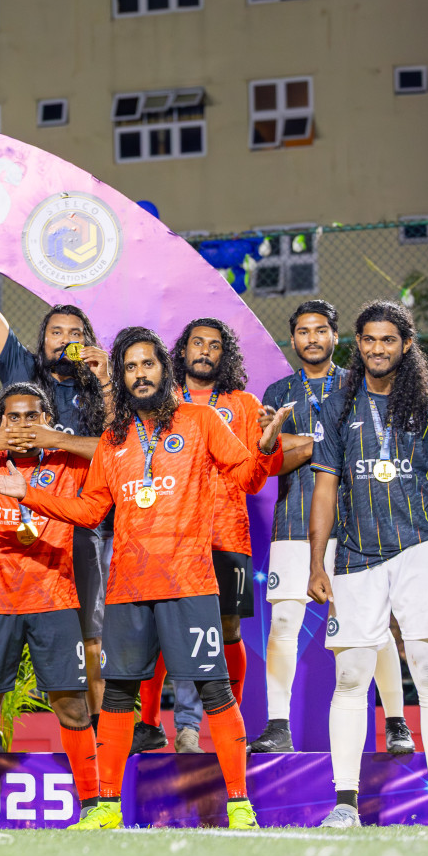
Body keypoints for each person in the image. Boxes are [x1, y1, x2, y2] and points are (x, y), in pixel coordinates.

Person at [0, 327, 290, 830]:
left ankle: (239, 803)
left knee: (215, 691)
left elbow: (246, 477)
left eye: (146, 364)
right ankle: (106, 806)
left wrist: (265, 446)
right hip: (128, 588)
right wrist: (28, 493)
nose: (138, 374)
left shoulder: (199, 421)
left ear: (163, 369)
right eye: (129, 368)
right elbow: (90, 510)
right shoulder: (112, 440)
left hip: (189, 583)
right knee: (115, 697)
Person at [0, 204, 117, 729]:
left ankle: (105, 750)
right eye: (55, 331)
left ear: (87, 342)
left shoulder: (97, 388)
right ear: (42, 340)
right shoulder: (25, 373)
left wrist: (104, 382)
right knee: (6, 659)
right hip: (16, 523)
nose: (63, 338)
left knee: (93, 637)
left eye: (73, 331)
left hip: (84, 525)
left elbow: (118, 448)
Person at [308, 301, 428, 829]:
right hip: (355, 555)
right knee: (351, 678)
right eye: (369, 340)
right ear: (357, 343)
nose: (378, 349)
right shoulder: (339, 404)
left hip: (422, 547)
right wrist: (317, 562)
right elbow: (325, 489)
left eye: (389, 340)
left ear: (406, 345)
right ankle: (345, 805)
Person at [253, 300, 412, 755]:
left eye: (320, 330)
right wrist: (277, 444)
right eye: (302, 331)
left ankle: (397, 723)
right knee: (283, 621)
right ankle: (278, 726)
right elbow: (268, 462)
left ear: (336, 337)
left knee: (373, 626)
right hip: (295, 521)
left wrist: (301, 445)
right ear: (293, 340)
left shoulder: (363, 383)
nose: (311, 339)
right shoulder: (278, 391)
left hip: (359, 524)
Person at [0, 383, 110, 829]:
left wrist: (56, 440)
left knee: (71, 705)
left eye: (32, 416)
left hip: (55, 599)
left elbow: (112, 451)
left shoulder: (67, 462)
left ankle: (92, 805)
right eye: (13, 417)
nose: (23, 426)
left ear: (47, 420)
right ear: (0, 422)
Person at [133, 318, 265, 754]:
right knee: (169, 631)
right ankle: (174, 725)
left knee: (226, 628)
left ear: (224, 355)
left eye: (214, 345)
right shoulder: (161, 402)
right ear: (182, 352)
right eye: (197, 343)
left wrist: (269, 443)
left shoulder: (243, 404)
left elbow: (251, 479)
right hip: (171, 535)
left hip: (227, 533)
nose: (205, 351)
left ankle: (232, 723)